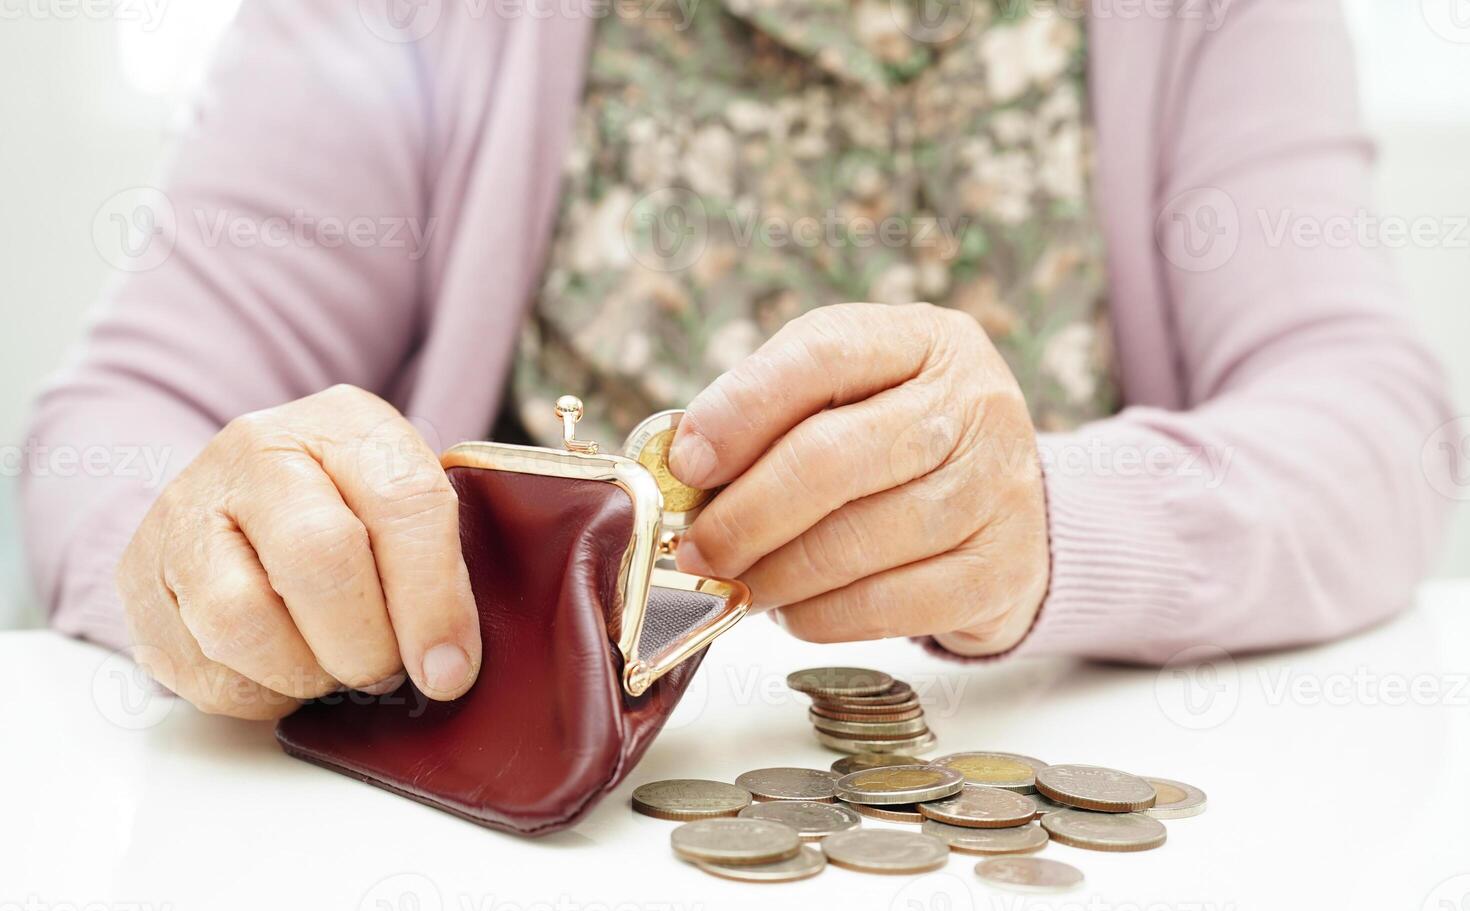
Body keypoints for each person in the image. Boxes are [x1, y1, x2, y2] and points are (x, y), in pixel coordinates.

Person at [22, 0, 1455, 719]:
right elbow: (130, 418)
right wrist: (222, 555)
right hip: (520, 860)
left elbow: (1372, 425)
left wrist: (1048, 524)